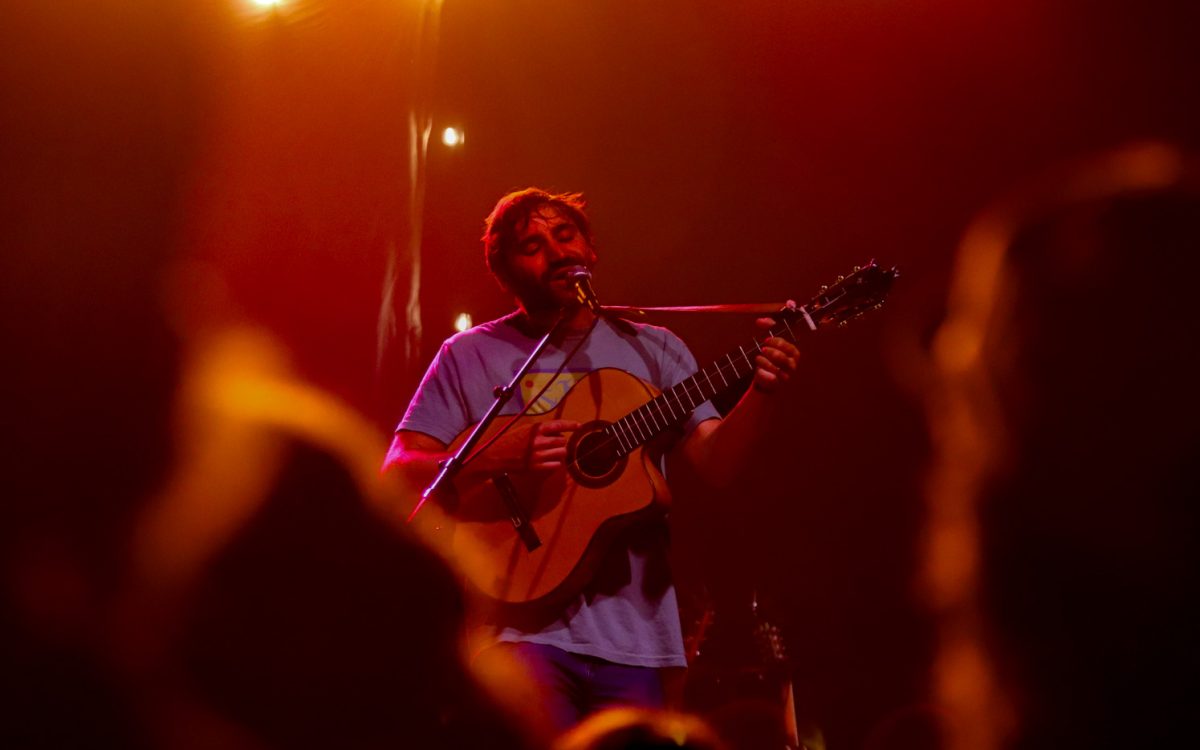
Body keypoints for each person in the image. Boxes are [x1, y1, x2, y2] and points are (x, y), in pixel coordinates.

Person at [383, 188, 800, 741]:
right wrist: (496, 453)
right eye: (532, 245)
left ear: (590, 249)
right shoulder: (469, 354)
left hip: (638, 636)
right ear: (504, 271)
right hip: (514, 632)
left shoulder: (655, 349)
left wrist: (762, 391)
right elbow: (401, 470)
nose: (555, 252)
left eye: (565, 235)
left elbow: (716, 463)